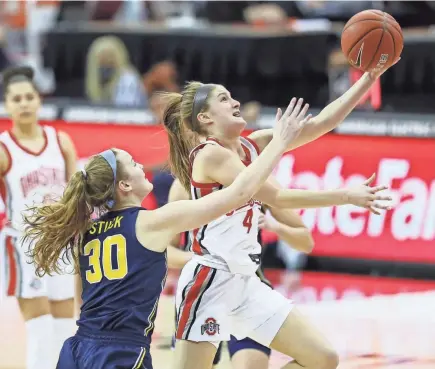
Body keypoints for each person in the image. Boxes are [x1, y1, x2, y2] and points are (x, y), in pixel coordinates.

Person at [22, 98, 310, 369]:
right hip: (121, 352)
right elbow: (241, 192)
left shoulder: (85, 231)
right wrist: (279, 143)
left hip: (78, 349)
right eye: (134, 165)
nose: (141, 167)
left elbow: (81, 304)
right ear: (124, 186)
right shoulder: (151, 222)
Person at [163, 63, 396, 369]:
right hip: (211, 280)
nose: (234, 102)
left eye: (231, 97)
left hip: (247, 281)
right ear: (205, 118)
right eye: (223, 99)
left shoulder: (252, 144)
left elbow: (325, 122)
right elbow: (276, 196)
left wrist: (369, 79)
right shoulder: (210, 154)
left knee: (322, 358)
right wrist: (345, 195)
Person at [168, 177, 315, 369]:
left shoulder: (258, 179)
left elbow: (306, 242)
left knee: (317, 357)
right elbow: (165, 251)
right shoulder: (185, 184)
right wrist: (207, 260)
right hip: (204, 292)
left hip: (249, 292)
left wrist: (274, 226)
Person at [0, 66, 78, 369]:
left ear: (38, 100)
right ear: (7, 104)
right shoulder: (5, 148)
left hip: (60, 245)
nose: (23, 103)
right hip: (24, 245)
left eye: (28, 97)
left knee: (63, 331)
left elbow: (77, 194)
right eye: (16, 98)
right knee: (40, 330)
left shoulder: (60, 141)